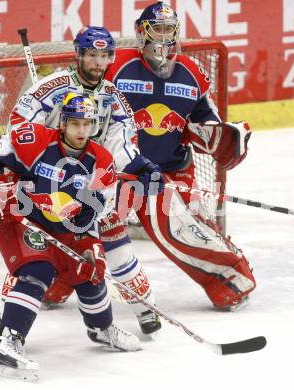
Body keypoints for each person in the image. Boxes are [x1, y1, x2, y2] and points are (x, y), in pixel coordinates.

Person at [0, 26, 163, 341]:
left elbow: (121, 139)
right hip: (44, 185)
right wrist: (34, 165)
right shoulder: (51, 87)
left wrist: (137, 164)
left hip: (85, 183)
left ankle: (142, 308)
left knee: (108, 230)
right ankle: (5, 320)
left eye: (104, 55)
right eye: (92, 54)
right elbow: (19, 126)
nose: (98, 62)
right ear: (79, 54)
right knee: (34, 252)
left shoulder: (113, 96)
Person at [0, 94, 142, 381]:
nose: (80, 130)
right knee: (38, 270)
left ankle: (101, 328)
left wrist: (88, 239)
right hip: (19, 217)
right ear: (63, 122)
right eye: (74, 123)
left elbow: (96, 209)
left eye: (87, 124)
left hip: (65, 225)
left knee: (91, 271)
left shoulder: (101, 161)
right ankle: (9, 341)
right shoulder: (33, 139)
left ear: (95, 126)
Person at [104, 1, 256, 310]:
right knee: (81, 224)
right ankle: (59, 280)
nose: (163, 37)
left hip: (168, 171)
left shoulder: (191, 73)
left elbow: (205, 121)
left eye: (168, 30)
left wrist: (223, 137)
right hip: (117, 170)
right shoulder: (116, 66)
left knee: (180, 231)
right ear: (141, 32)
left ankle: (232, 276)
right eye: (156, 30)